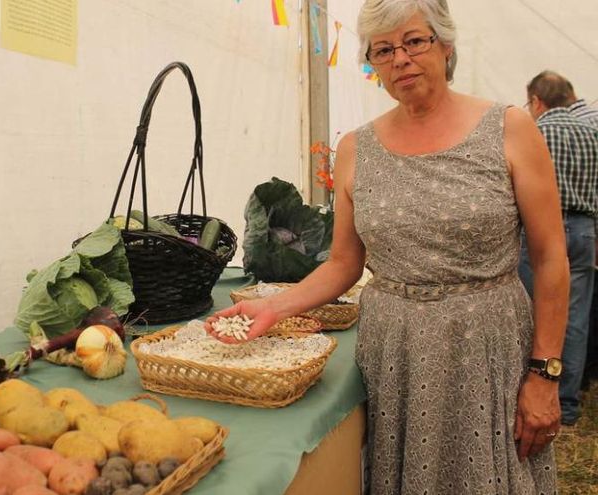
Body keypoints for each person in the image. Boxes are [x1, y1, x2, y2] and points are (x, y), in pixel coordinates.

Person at [206, 0, 569, 492]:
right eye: (383, 50)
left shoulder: (507, 128)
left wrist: (544, 375)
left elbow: (550, 260)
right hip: (395, 351)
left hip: (486, 344)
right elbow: (343, 264)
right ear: (372, 63)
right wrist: (271, 307)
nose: (400, 58)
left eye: (414, 41)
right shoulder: (357, 148)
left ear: (445, 45)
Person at [519, 70, 598, 426]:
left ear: (537, 101)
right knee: (576, 317)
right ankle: (566, 403)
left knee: (531, 311)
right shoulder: (592, 133)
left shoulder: (534, 132)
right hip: (584, 229)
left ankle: (529, 389)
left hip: (542, 229)